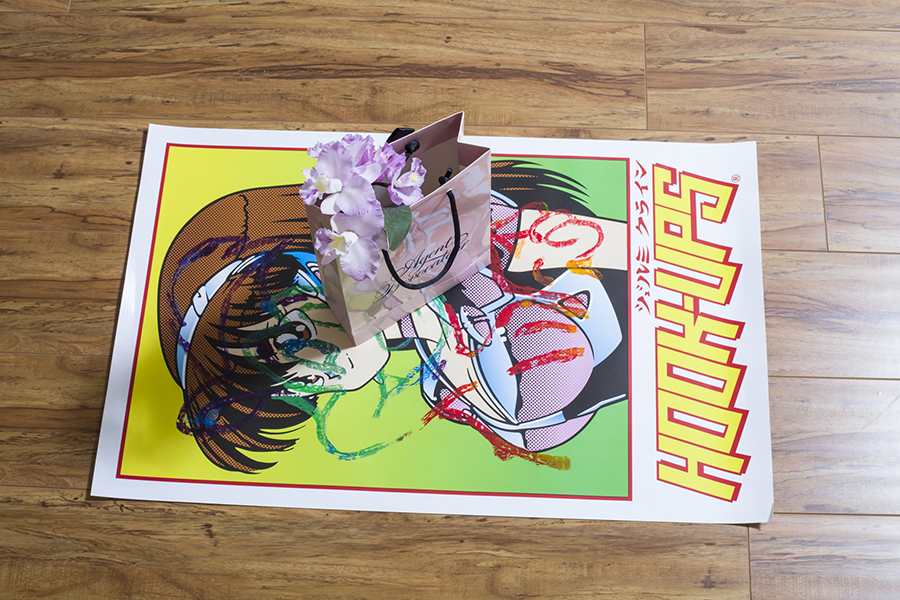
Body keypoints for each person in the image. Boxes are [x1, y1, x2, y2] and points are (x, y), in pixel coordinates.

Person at [158, 161, 628, 473]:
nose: (319, 371)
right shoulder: (445, 375)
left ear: (316, 267)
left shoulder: (484, 246)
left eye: (293, 335)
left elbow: (629, 251)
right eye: (297, 387)